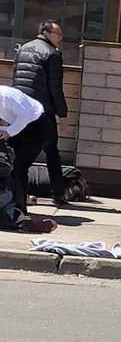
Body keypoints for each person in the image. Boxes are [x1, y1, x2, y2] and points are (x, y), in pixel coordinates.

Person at [12, 19, 69, 206]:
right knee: (51, 151)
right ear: (46, 33)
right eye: (57, 34)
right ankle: (59, 193)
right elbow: (55, 89)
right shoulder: (53, 55)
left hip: (20, 109)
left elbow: (16, 80)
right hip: (42, 112)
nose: (60, 38)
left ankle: (18, 195)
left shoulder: (22, 49)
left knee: (19, 155)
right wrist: (63, 114)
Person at [0, 88, 56, 233]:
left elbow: (24, 116)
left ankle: (19, 208)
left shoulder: (7, 96)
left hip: (39, 126)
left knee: (19, 166)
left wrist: (8, 132)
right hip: (24, 127)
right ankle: (16, 211)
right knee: (10, 162)